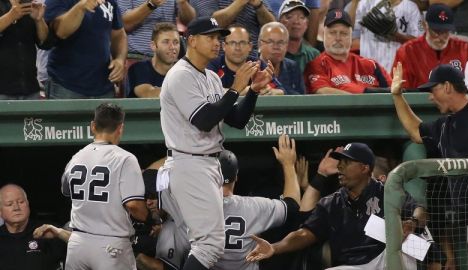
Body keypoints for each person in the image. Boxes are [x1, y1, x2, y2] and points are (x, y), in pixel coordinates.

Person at [159, 15, 273, 270]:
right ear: (191, 40)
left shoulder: (210, 76)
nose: (217, 42)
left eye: (219, 38)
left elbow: (237, 119)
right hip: (189, 163)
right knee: (209, 245)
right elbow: (203, 120)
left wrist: (252, 91)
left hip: (207, 164)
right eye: (210, 37)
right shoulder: (180, 75)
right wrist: (235, 88)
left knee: (209, 243)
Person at [246, 143, 425, 269]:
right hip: (353, 266)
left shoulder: (386, 192)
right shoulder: (331, 203)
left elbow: (420, 211)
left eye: (346, 162)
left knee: (410, 242)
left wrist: (412, 221)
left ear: (364, 168)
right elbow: (304, 234)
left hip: (387, 261)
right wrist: (274, 247)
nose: (340, 167)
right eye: (339, 162)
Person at [391, 62, 468, 269]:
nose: (430, 96)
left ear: (447, 86)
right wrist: (397, 96)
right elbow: (415, 131)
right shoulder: (444, 126)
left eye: (433, 90)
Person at [60, 103, 152, 269]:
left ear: (93, 126)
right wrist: (150, 220)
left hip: (78, 244)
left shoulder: (76, 157)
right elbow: (134, 206)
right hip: (111, 245)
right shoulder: (125, 159)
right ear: (120, 128)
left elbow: (67, 191)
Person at [213, 134, 301, 270]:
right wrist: (288, 164)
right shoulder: (253, 206)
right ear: (236, 176)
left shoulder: (196, 207)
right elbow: (292, 206)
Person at [44, 0, 128, 98]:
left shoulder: (110, 2)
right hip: (66, 84)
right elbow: (61, 32)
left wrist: (120, 59)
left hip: (103, 85)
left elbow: (119, 34)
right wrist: (80, 7)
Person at [304, 9, 392, 95]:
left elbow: (394, 90)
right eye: (332, 33)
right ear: (324, 36)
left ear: (351, 37)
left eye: (343, 33)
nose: (338, 38)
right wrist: (364, 95)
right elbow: (322, 91)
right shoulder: (317, 65)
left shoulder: (371, 65)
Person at [392, 4, 468, 90]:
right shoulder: (407, 51)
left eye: (445, 31)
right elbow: (400, 90)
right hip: (418, 102)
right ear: (425, 25)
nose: (440, 37)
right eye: (436, 31)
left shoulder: (465, 49)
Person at [0, 184, 68, 270]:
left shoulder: (48, 230)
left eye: (21, 202)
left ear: (28, 204)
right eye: (9, 204)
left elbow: (83, 250)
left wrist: (60, 234)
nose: (16, 208)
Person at [207, 24, 284, 96]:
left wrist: (269, 91)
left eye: (242, 43)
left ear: (250, 46)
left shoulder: (258, 65)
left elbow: (281, 91)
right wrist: (250, 90)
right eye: (232, 43)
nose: (237, 48)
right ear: (224, 46)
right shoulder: (213, 65)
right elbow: (210, 93)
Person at [0, 0, 51, 100]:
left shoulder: (30, 5)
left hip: (30, 89)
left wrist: (39, 20)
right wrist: (10, 16)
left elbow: (45, 43)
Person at [353, 0, 422, 72]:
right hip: (368, 68)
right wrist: (354, 3)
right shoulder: (366, 3)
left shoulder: (411, 8)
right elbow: (349, 26)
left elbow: (418, 43)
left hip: (395, 69)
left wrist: (396, 36)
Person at [190, 0, 276, 57]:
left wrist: (259, 6)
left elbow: (273, 28)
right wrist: (240, 2)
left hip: (251, 59)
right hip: (217, 60)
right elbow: (211, 23)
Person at [118, 0, 195, 58]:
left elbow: (191, 22)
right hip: (137, 57)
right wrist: (151, 4)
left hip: (169, 59)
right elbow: (124, 24)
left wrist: (183, 3)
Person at [127, 22, 180, 98]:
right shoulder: (139, 68)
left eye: (176, 42)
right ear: (153, 46)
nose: (172, 47)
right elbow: (148, 95)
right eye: (166, 42)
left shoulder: (183, 70)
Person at [258, 22, 305, 95]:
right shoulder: (251, 68)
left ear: (286, 46)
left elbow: (302, 97)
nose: (276, 47)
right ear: (260, 44)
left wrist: (282, 92)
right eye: (270, 42)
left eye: (281, 42)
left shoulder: (293, 67)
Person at [278, 0, 320, 74]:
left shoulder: (314, 55)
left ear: (307, 24)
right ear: (280, 22)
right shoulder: (274, 52)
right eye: (289, 17)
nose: (296, 21)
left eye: (301, 17)